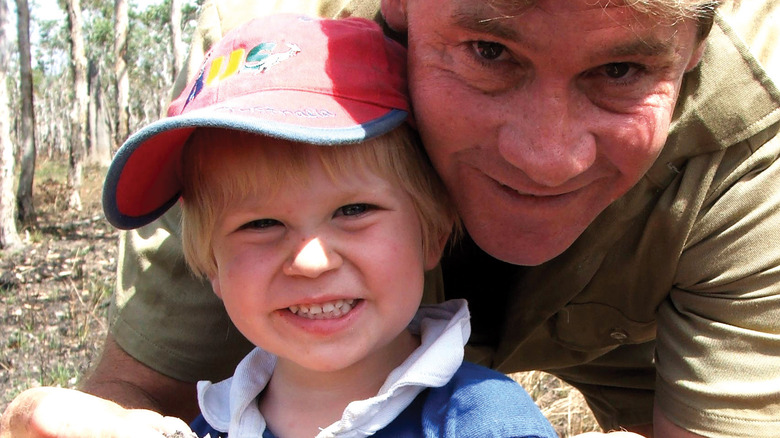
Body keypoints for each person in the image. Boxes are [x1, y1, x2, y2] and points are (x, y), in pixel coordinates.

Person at [2, 0, 779, 437]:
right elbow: (136, 393)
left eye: (620, 70)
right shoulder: (265, 89)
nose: (548, 157)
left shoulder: (749, 133)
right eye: (487, 51)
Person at [115, 13, 559, 438]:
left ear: (434, 231)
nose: (310, 260)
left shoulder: (486, 422)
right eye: (261, 223)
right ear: (211, 265)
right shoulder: (208, 427)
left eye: (353, 211)